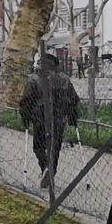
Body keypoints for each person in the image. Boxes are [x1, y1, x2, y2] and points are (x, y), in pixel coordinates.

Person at [19, 54, 80, 188]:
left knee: (38, 146)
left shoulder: (34, 79)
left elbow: (27, 100)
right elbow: (74, 99)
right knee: (55, 147)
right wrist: (72, 117)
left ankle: (45, 166)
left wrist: (26, 118)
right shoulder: (64, 79)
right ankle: (51, 172)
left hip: (40, 118)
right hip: (58, 118)